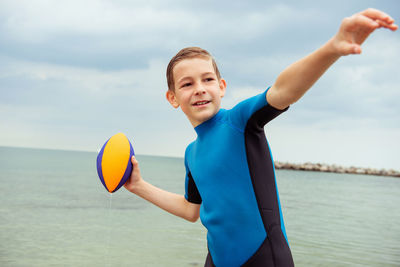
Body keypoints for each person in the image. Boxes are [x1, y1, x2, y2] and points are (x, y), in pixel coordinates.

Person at [124, 8, 397, 267]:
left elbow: (283, 90)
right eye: (187, 84)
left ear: (221, 87)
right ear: (172, 98)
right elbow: (190, 210)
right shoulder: (191, 153)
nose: (199, 89)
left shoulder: (239, 122)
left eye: (207, 80)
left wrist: (333, 47)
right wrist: (139, 186)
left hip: (265, 258)